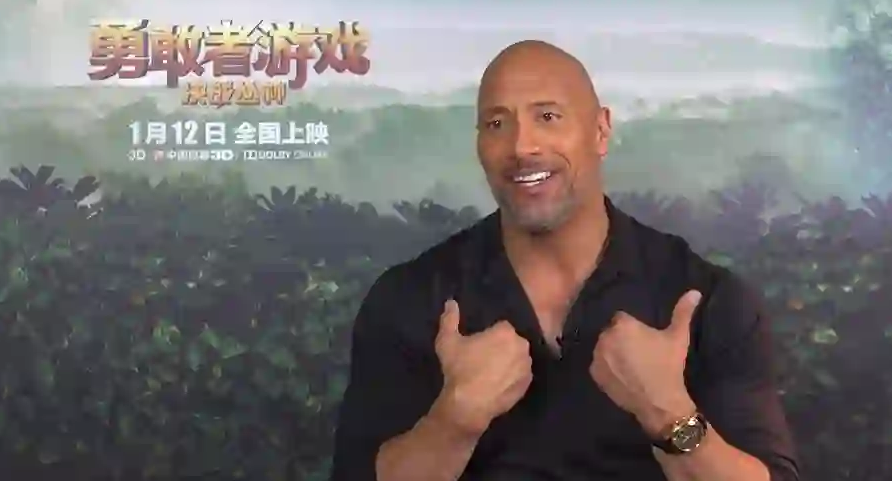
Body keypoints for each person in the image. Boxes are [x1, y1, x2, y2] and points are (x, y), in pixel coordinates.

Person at [330, 40, 799, 481]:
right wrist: (454, 420)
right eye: (496, 124)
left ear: (600, 131)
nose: (521, 147)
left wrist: (669, 413)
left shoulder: (705, 301)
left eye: (548, 117)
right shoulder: (411, 297)